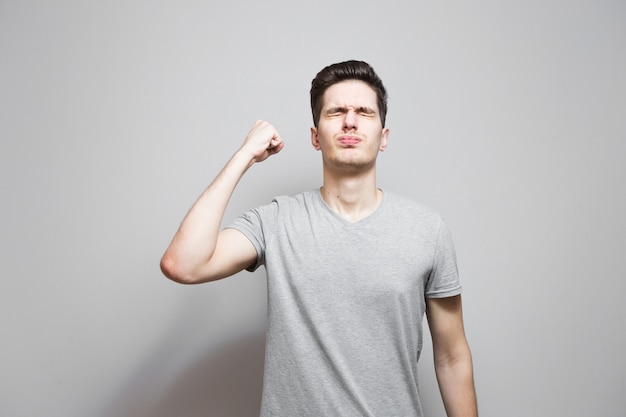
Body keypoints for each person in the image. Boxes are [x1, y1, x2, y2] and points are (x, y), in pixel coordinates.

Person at [160, 60, 478, 417]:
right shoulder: (276, 221)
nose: (350, 121)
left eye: (364, 112)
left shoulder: (427, 230)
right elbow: (182, 264)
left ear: (384, 137)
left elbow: (451, 356)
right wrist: (244, 156)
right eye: (336, 111)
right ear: (315, 137)